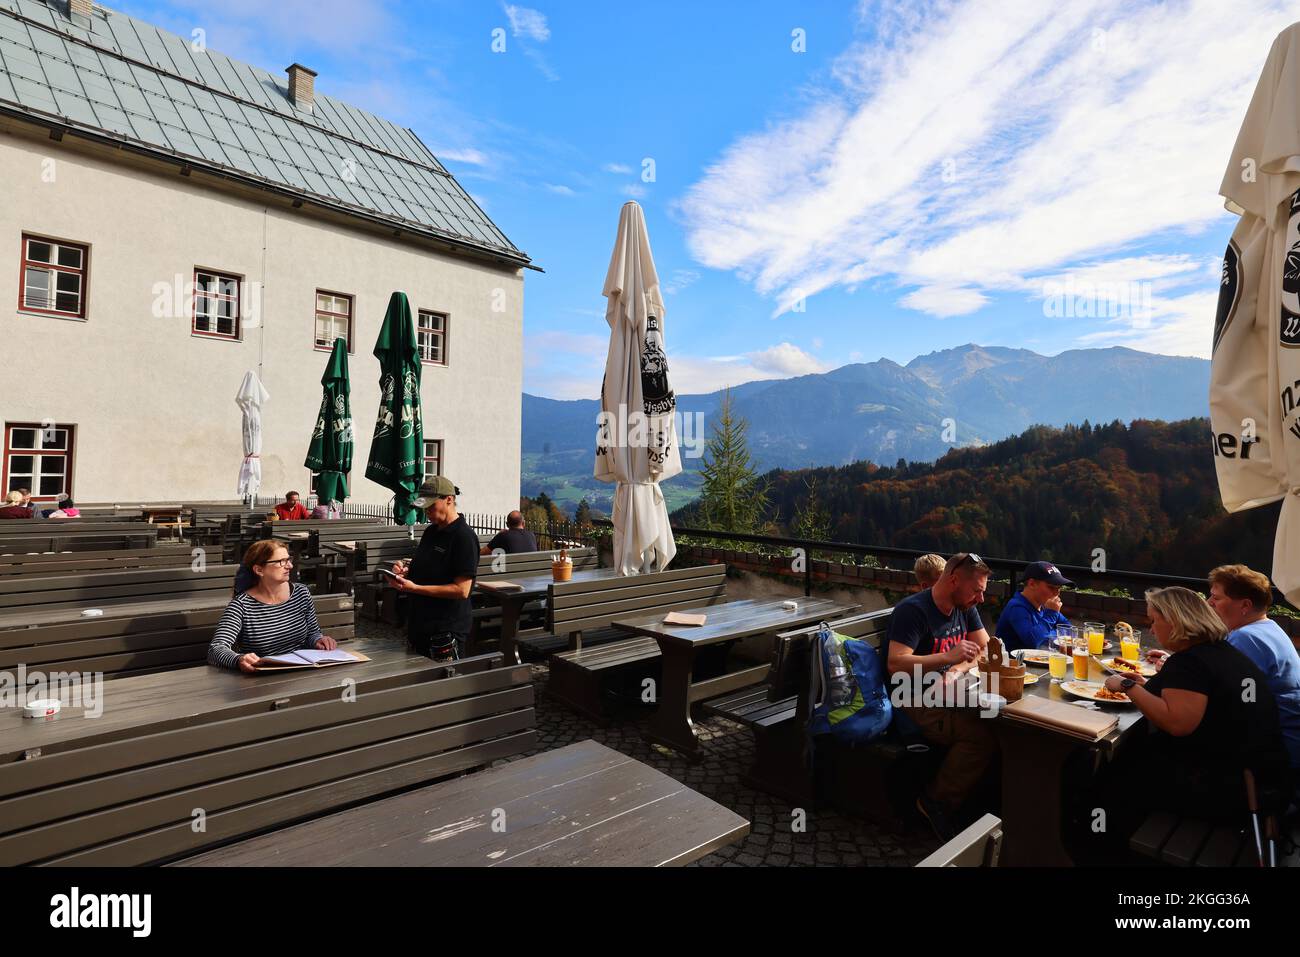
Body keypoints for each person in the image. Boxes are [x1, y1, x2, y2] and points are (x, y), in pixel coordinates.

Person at [1098, 587, 1290, 837]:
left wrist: (1127, 686)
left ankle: (1099, 842)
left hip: (1231, 793)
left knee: (1112, 770)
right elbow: (1192, 696)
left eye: (1154, 621)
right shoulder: (1219, 651)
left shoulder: (1190, 662)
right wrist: (1148, 687)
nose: (1152, 630)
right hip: (1264, 783)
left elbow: (1178, 723)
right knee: (1132, 752)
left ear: (1176, 621)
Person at [885, 551, 995, 840]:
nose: (980, 599)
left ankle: (982, 803)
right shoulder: (913, 611)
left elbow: (985, 650)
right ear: (954, 580)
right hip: (912, 697)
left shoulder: (964, 606)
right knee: (981, 736)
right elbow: (896, 663)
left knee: (998, 720)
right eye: (977, 591)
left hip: (950, 692)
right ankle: (935, 802)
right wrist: (946, 657)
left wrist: (955, 668)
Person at [1204, 564, 1300, 771]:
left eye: (1216, 598)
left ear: (1245, 605)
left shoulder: (1245, 638)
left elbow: (1240, 700)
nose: (1208, 603)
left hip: (1276, 754)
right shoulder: (1269, 628)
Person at [208, 540, 337, 672]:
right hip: (265, 677)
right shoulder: (241, 606)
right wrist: (238, 659)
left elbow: (312, 633)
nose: (290, 565)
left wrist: (318, 640)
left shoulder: (301, 593)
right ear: (259, 570)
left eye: (288, 559)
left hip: (303, 670)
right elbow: (216, 649)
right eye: (281, 561)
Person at [389, 476, 479, 662]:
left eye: (431, 505)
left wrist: (416, 589)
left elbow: (462, 590)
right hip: (420, 624)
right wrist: (404, 570)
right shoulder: (431, 531)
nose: (427, 511)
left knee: (444, 686)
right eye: (425, 506)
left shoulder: (464, 537)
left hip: (445, 630)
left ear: (449, 499)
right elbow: (423, 566)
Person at [995, 560, 1072, 652]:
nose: (1056, 593)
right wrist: (1051, 615)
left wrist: (1047, 635)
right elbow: (1034, 642)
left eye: (1059, 589)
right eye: (1051, 587)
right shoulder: (1016, 607)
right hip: (1012, 664)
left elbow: (1068, 630)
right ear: (1032, 584)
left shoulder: (1044, 605)